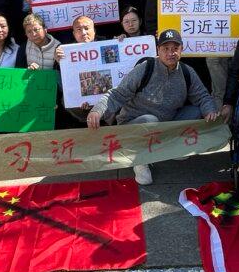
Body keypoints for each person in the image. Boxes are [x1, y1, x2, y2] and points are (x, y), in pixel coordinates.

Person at [87, 28, 219, 184]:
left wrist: (210, 110)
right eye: (166, 49)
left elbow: (202, 96)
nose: (171, 53)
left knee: (196, 111)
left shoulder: (186, 71)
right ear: (158, 50)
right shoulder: (146, 67)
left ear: (181, 50)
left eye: (175, 48)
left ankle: (171, 148)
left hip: (165, 123)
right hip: (137, 123)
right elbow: (117, 94)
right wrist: (97, 111)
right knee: (150, 120)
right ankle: (140, 160)